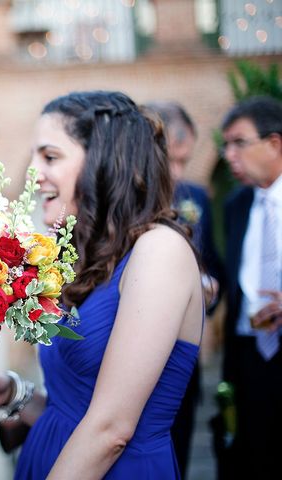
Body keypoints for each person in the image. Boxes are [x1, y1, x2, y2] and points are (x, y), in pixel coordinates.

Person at [0, 91, 204, 479]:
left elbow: (111, 430)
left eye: (50, 157)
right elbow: (70, 409)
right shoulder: (87, 256)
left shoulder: (160, 251)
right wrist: (13, 394)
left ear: (102, 162)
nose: (34, 173)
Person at [144, 101, 224, 478]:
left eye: (185, 161)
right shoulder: (121, 205)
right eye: (171, 161)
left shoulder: (197, 197)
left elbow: (213, 264)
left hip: (182, 368)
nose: (177, 174)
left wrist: (210, 290)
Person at [219, 96, 282, 479]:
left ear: (274, 143)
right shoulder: (236, 204)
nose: (229, 155)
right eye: (225, 145)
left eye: (239, 142)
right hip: (247, 355)